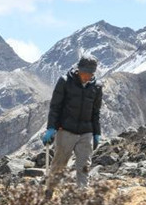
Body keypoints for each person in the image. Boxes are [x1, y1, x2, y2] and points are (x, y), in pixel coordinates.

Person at [42, 54, 103, 188]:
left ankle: (82, 197)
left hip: (86, 132)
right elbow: (55, 107)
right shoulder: (65, 81)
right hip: (66, 131)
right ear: (79, 69)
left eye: (90, 74)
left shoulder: (97, 86)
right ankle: (50, 191)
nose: (86, 76)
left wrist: (96, 133)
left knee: (84, 166)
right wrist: (51, 128)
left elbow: (95, 112)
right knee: (59, 164)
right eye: (84, 73)